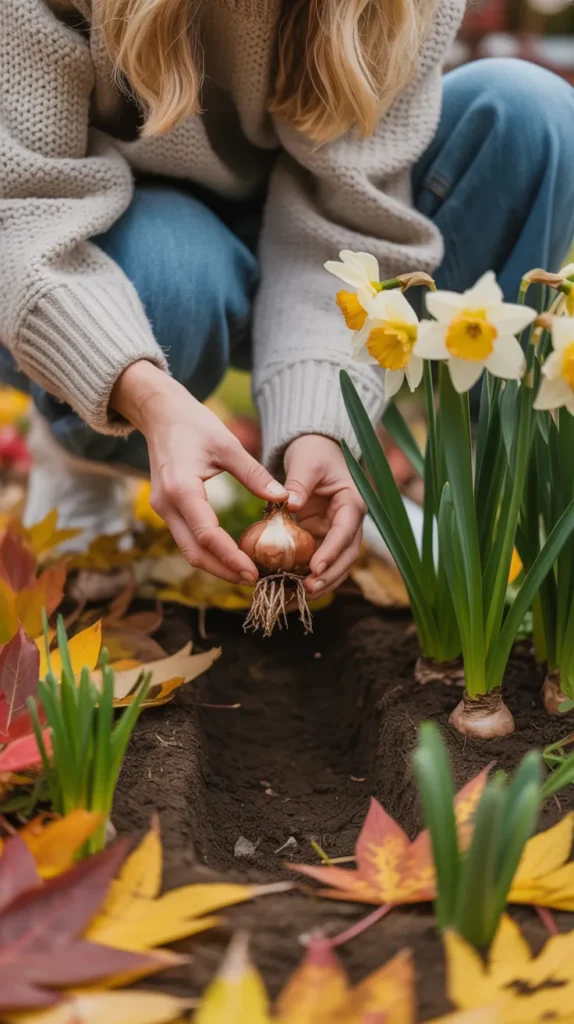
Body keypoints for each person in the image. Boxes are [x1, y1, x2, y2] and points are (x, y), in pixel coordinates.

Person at [1, 1, 574, 599]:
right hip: (130, 236)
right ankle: (89, 457)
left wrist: (320, 425)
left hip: (308, 228)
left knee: (527, 113)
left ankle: (463, 500)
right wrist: (144, 396)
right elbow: (20, 212)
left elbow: (348, 226)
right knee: (172, 274)